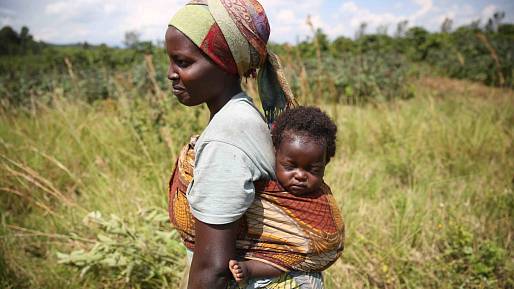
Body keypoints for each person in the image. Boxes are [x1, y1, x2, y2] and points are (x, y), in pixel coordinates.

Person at [165, 0, 333, 288]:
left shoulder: (227, 135)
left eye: (183, 62)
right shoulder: (240, 113)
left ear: (226, 63)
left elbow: (213, 268)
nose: (170, 73)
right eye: (170, 60)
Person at [228, 106, 339, 285]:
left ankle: (250, 268)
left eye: (313, 169)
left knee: (292, 256)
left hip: (297, 275)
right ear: (274, 155)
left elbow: (314, 245)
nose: (300, 175)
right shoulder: (264, 186)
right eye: (290, 166)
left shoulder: (320, 202)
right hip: (254, 258)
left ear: (325, 164)